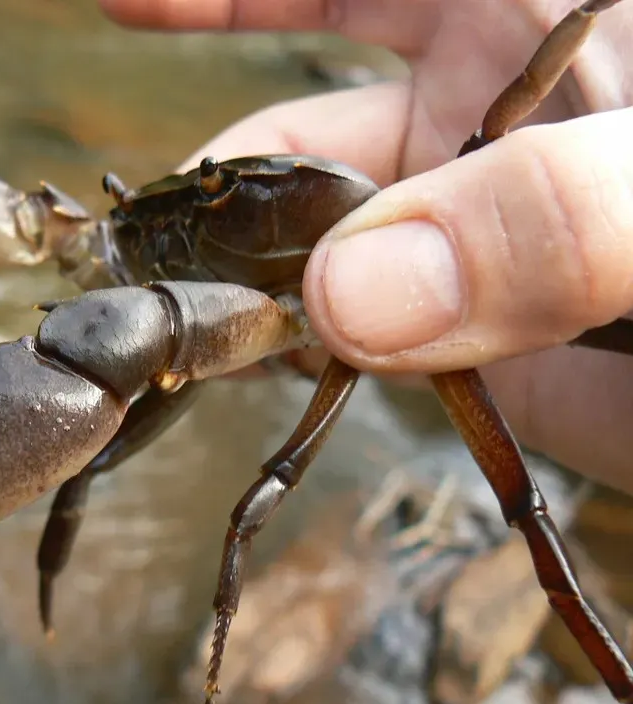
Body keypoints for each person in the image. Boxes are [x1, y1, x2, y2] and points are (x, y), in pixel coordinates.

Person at [98, 0, 633, 494]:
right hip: (264, 325)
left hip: (319, 316)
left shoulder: (387, 270)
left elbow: (528, 86)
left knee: (522, 502)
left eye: (216, 190)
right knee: (105, 456)